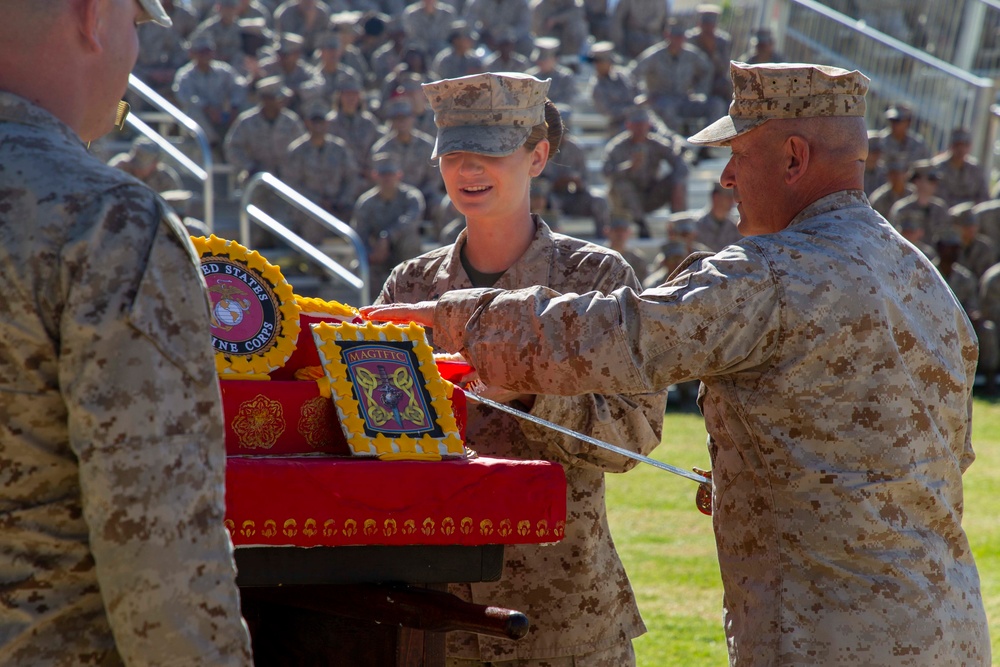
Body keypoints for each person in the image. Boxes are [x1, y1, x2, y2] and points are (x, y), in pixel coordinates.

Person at [363, 62, 992, 666]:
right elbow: (927, 457)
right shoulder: (922, 278)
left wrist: (451, 321)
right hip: (940, 622)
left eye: (737, 155)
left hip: (822, 632)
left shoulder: (768, 275)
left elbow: (622, 334)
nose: (724, 179)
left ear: (794, 157)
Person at [377, 71, 666, 667]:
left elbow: (634, 439)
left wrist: (531, 395)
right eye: (453, 153)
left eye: (489, 152)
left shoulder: (594, 283)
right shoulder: (410, 286)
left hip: (561, 617)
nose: (468, 169)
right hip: (431, 615)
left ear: (537, 157)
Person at [0, 0, 253, 664]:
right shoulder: (104, 223)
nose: (135, 54)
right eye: (137, 26)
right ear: (95, 16)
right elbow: (163, 569)